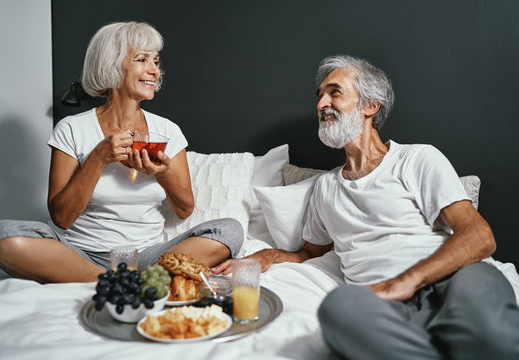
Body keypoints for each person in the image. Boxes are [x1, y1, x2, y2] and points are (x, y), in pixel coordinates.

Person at [213, 55, 519, 359]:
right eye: (319, 96)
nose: (321, 105)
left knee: (490, 335)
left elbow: (479, 235)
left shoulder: (416, 159)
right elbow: (309, 254)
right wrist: (266, 256)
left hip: (454, 279)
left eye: (334, 92)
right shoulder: (325, 188)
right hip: (383, 305)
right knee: (338, 309)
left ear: (370, 105)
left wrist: (403, 282)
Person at [0, 21, 243, 283]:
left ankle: (113, 279)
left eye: (155, 61)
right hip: (77, 251)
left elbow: (185, 209)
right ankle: (125, 281)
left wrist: (160, 173)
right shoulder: (72, 129)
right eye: (142, 60)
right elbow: (61, 218)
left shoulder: (168, 131)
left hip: (148, 254)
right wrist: (98, 158)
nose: (154, 70)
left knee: (229, 231)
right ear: (112, 65)